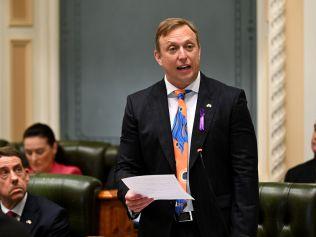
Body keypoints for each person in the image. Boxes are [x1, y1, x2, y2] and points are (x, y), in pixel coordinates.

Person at [115, 18, 258, 237]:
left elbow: (245, 178)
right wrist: (129, 193)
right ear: (158, 57)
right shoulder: (138, 104)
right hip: (159, 228)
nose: (183, 55)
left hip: (215, 227)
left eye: (189, 46)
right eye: (173, 49)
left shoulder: (229, 101)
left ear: (199, 51)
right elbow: (125, 167)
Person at [0, 146, 71, 237]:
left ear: (27, 176)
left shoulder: (53, 216)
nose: (14, 178)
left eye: (18, 170)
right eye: (4, 172)